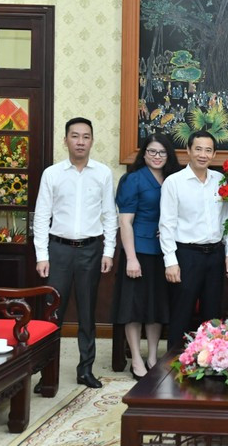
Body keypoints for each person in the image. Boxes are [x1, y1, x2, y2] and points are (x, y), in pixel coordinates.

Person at [33, 117, 118, 389]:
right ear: (65, 139)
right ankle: (47, 372)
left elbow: (109, 215)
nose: (80, 141)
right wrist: (41, 255)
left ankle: (85, 369)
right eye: (75, 136)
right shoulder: (52, 174)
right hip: (57, 250)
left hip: (91, 250)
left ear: (92, 140)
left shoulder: (103, 173)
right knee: (52, 313)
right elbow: (41, 216)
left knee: (87, 312)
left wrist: (109, 251)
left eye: (85, 136)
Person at [159, 130, 228, 350]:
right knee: (181, 313)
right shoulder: (174, 182)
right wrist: (170, 261)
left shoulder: (219, 180)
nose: (203, 154)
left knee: (212, 316)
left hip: (215, 255)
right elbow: (166, 224)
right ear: (189, 151)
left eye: (208, 150)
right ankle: (172, 363)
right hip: (186, 256)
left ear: (213, 155)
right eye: (198, 149)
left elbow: (226, 219)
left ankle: (210, 361)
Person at [113, 134, 180, 380]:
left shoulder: (173, 179)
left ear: (168, 155)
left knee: (156, 306)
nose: (157, 156)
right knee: (134, 308)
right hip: (138, 251)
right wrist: (131, 258)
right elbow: (125, 222)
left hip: (163, 253)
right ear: (144, 154)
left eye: (162, 152)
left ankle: (153, 356)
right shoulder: (133, 179)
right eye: (152, 151)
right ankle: (137, 359)